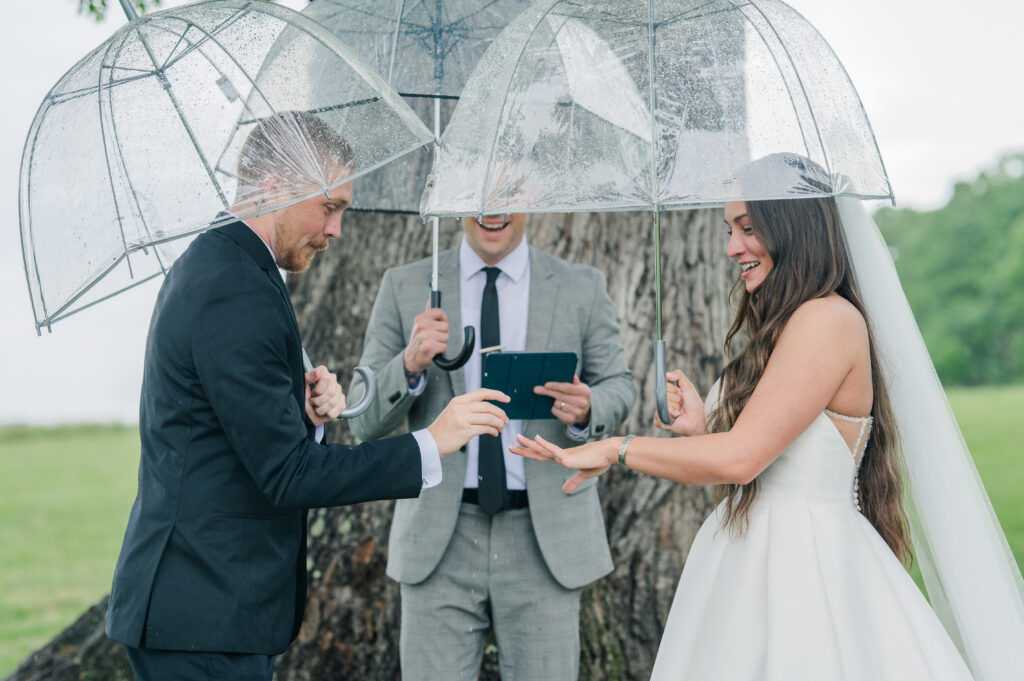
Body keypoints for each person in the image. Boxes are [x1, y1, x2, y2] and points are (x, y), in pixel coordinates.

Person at [512, 159, 990, 679]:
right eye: (728, 230)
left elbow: (741, 459)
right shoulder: (791, 322)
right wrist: (702, 431)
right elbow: (757, 458)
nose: (731, 247)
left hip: (803, 572)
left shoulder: (825, 320)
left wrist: (616, 448)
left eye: (747, 227)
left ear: (792, 225)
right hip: (749, 561)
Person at [104, 111, 510, 681]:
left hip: (208, 610)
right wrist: (431, 442)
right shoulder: (233, 286)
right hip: (201, 613)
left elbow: (227, 427)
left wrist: (301, 409)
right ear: (274, 187)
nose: (338, 229)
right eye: (331, 206)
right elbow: (288, 474)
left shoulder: (229, 265)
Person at [349, 212, 636, 680]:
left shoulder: (581, 286)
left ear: (530, 197)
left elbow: (620, 385)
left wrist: (589, 408)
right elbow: (362, 422)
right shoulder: (404, 286)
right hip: (439, 540)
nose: (492, 210)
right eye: (480, 195)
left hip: (545, 541)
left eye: (508, 193)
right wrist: (409, 363)